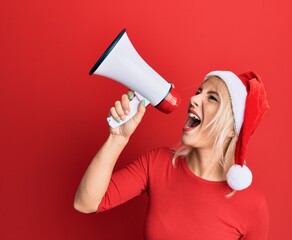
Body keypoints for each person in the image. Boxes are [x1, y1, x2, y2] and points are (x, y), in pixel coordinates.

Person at [74, 70, 270, 240]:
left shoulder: (253, 206)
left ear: (231, 129)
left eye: (212, 98)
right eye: (199, 92)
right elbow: (86, 203)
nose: (194, 99)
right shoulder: (158, 162)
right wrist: (118, 138)